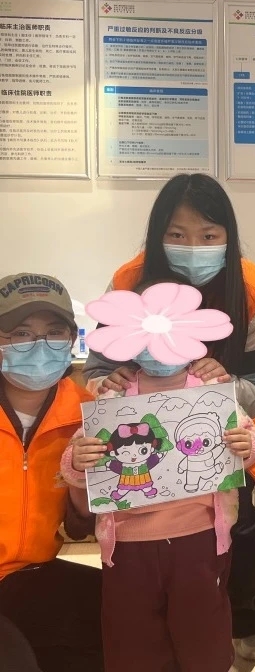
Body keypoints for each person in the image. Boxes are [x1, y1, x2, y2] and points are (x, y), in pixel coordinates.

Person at [82, 173, 255, 659]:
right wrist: (115, 378)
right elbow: (96, 369)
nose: (193, 247)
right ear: (157, 235)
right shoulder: (126, 284)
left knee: (236, 532)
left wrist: (224, 383)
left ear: (228, 237)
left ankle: (249, 620)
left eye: (209, 236)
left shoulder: (252, 294)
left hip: (216, 451)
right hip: (139, 472)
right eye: (177, 234)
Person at [63, 283, 255, 672]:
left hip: (201, 536)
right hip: (127, 543)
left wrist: (247, 445)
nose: (158, 348)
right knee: (133, 642)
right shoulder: (113, 394)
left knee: (202, 639)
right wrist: (77, 462)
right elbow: (78, 452)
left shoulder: (211, 389)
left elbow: (248, 439)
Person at [0, 272, 103, 671]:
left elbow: (80, 526)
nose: (39, 345)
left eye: (54, 333)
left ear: (71, 338)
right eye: (21, 333)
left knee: (128, 620)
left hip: (31, 572)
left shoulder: (87, 414)